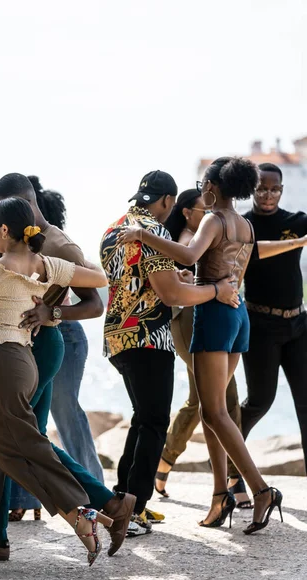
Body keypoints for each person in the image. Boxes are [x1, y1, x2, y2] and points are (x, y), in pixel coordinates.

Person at [0, 174, 135, 561]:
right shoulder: (40, 260)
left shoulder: (36, 253)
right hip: (22, 354)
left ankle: (88, 510)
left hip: (20, 354)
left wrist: (54, 310)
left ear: (8, 223)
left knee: (17, 444)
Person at [118, 158, 306, 534]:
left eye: (205, 180)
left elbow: (188, 255)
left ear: (215, 186)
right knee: (210, 410)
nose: (201, 185)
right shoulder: (245, 224)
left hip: (215, 316)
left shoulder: (214, 218)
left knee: (217, 413)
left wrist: (142, 236)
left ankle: (260, 490)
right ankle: (220, 494)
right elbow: (236, 262)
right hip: (240, 319)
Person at [100, 170, 239, 536]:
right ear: (167, 202)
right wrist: (217, 290)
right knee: (154, 422)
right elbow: (170, 297)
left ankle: (120, 499)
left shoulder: (113, 229)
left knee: (142, 418)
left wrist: (175, 278)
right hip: (148, 337)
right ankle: (133, 507)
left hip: (117, 337)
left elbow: (134, 281)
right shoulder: (157, 233)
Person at [7, 177, 105, 523]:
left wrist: (53, 312)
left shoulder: (60, 245)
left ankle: (101, 498)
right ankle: (22, 497)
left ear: (29, 205)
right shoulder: (16, 237)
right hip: (29, 338)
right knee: (31, 423)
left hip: (64, 334)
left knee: (67, 418)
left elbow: (94, 305)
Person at [153, 189, 247, 506]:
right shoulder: (193, 232)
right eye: (195, 207)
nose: (201, 210)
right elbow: (187, 261)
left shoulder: (213, 225)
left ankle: (224, 484)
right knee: (217, 402)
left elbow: (195, 262)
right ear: (186, 211)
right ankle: (236, 484)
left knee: (208, 402)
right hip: (197, 319)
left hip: (217, 317)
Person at [241, 163, 307, 474]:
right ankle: (230, 466)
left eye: (274, 189)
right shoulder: (243, 226)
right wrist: (297, 242)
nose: (268, 194)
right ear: (252, 190)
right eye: (262, 188)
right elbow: (252, 252)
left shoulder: (296, 221)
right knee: (259, 402)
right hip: (260, 326)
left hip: (298, 324)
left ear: (281, 189)